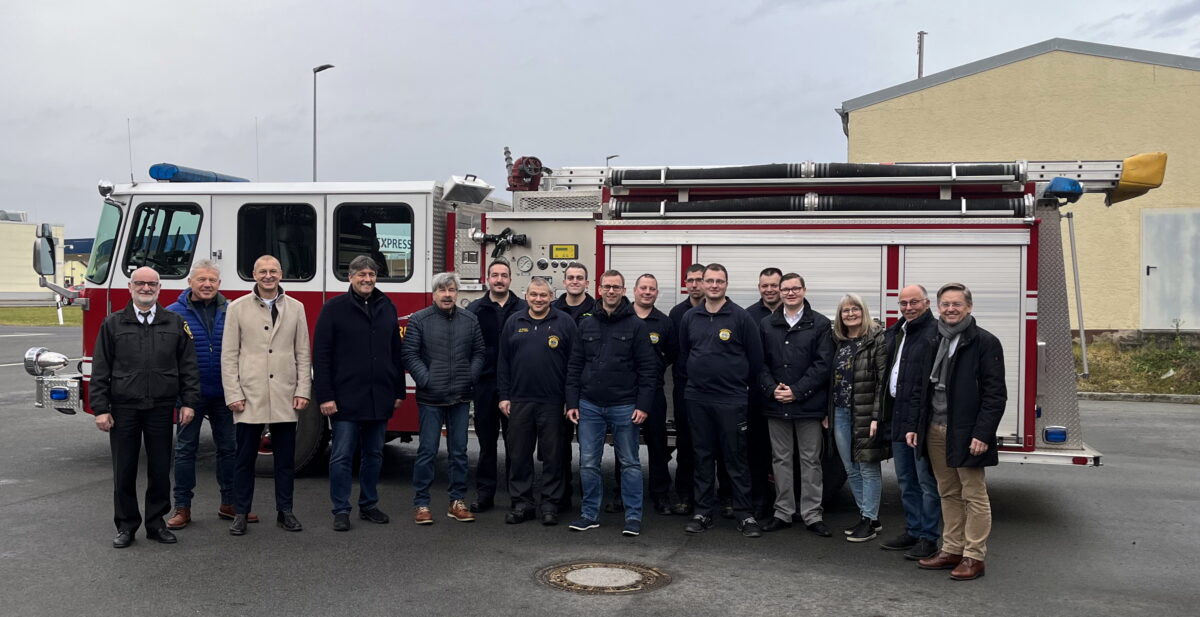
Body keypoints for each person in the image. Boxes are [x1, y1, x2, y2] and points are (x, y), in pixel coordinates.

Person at [91, 266, 200, 548]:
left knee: (160, 469)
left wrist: (189, 402)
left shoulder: (175, 323)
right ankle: (126, 526)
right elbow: (101, 369)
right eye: (140, 283)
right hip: (124, 408)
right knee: (124, 470)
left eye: (152, 284)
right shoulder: (112, 324)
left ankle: (155, 523)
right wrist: (101, 408)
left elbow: (188, 367)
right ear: (130, 287)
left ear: (159, 288)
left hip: (161, 408)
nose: (146, 289)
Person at [906, 283, 1006, 581]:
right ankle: (951, 549)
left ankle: (974, 556)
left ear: (969, 307)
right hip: (935, 428)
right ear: (938, 307)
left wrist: (982, 433)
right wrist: (914, 425)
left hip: (966, 431)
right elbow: (918, 388)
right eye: (945, 304)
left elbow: (995, 395)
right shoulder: (933, 339)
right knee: (947, 491)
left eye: (957, 304)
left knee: (974, 495)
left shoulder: (985, 342)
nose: (950, 309)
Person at [221, 255, 312, 536]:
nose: (268, 276)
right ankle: (240, 513)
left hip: (285, 393)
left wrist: (303, 390)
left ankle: (285, 511)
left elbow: (302, 352)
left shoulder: (297, 308)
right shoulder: (236, 308)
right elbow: (229, 355)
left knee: (285, 460)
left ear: (281, 274)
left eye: (273, 271)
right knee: (244, 459)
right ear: (254, 274)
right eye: (263, 271)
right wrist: (233, 394)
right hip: (249, 395)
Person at [313, 255, 405, 532]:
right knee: (341, 456)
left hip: (380, 396)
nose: (367, 279)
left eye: (372, 274)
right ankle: (341, 509)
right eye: (361, 274)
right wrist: (325, 396)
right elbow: (322, 354)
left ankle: (369, 504)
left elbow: (395, 353)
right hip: (345, 397)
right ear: (350, 278)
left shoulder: (387, 306)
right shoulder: (333, 309)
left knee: (374, 454)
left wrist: (398, 389)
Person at [165, 260, 257, 531]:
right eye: (201, 279)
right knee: (184, 452)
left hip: (226, 394)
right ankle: (182, 507)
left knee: (229, 449)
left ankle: (230, 504)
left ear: (219, 284)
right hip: (190, 397)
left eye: (212, 280)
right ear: (190, 282)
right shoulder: (172, 313)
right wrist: (179, 395)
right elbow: (168, 359)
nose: (207, 285)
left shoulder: (232, 310)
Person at [565, 270, 657, 537]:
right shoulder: (586, 324)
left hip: (625, 405)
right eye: (607, 286)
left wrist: (643, 405)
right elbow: (574, 365)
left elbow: (648, 369)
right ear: (600, 289)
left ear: (623, 289)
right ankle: (589, 514)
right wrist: (572, 401)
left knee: (629, 462)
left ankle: (633, 517)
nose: (612, 291)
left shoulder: (636, 325)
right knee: (588, 463)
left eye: (616, 287)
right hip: (589, 404)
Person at [678, 263, 764, 538]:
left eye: (719, 281)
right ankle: (703, 512)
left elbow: (756, 359)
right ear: (701, 284)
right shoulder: (690, 317)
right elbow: (684, 354)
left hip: (731, 399)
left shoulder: (741, 317)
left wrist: (736, 386)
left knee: (735, 458)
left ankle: (744, 514)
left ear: (727, 284)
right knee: (702, 456)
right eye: (709, 281)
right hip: (698, 398)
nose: (714, 285)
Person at [402, 272, 485, 525]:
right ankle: (422, 504)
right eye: (442, 290)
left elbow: (479, 352)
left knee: (459, 452)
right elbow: (410, 354)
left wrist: (469, 377)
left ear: (457, 293)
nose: (447, 294)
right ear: (434, 293)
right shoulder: (419, 320)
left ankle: (456, 501)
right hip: (430, 399)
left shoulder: (470, 320)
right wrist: (426, 380)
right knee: (427, 452)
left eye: (451, 290)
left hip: (460, 397)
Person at [757, 272, 834, 537]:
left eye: (795, 288)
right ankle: (783, 512)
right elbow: (760, 363)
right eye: (785, 289)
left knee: (810, 460)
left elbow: (823, 365)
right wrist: (771, 389)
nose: (790, 293)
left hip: (808, 405)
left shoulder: (821, 324)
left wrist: (798, 392)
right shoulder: (767, 324)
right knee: (780, 459)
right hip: (776, 403)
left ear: (804, 290)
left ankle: (812, 514)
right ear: (778, 292)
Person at [497, 277, 578, 526]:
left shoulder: (564, 322)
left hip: (554, 402)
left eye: (543, 295)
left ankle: (551, 504)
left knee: (554, 457)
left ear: (552, 296)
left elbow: (574, 365)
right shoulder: (514, 321)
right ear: (526, 295)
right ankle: (522, 503)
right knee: (519, 455)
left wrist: (570, 400)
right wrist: (504, 396)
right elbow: (503, 362)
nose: (538, 299)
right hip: (520, 400)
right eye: (534, 295)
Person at [880, 284, 941, 559]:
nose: (908, 307)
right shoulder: (899, 331)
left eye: (914, 302)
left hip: (919, 420)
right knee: (906, 480)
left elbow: (929, 385)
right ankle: (913, 531)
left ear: (927, 303)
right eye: (903, 303)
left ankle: (929, 538)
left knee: (926, 482)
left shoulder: (934, 334)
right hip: (898, 415)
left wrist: (918, 424)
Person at [667, 263, 731, 516]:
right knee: (687, 445)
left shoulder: (726, 312)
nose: (694, 284)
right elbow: (676, 351)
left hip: (720, 391)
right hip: (686, 389)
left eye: (698, 279)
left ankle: (726, 497)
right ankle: (685, 496)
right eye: (690, 280)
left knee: (724, 446)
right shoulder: (677, 313)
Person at [827, 293, 890, 542]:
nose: (850, 314)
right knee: (850, 468)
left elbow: (882, 383)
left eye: (855, 309)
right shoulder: (838, 341)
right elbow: (831, 381)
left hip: (864, 414)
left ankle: (869, 520)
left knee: (868, 468)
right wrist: (828, 413)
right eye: (845, 310)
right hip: (840, 412)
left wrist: (877, 416)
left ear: (863, 312)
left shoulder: (876, 340)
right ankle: (869, 518)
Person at [466, 259, 526, 513]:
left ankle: (518, 497)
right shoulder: (475, 309)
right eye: (495, 275)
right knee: (487, 444)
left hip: (517, 387)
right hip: (486, 385)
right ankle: (485, 494)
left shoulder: (523, 308)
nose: (499, 279)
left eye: (504, 275)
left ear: (511, 279)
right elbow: (467, 347)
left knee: (517, 446)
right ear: (488, 278)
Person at [627, 273, 678, 515]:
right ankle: (621, 493)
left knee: (658, 446)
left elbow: (672, 354)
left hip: (654, 393)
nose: (647, 292)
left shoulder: (664, 322)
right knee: (625, 447)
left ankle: (660, 495)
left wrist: (654, 368)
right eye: (643, 288)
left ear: (657, 293)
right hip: (625, 393)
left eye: (652, 289)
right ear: (634, 290)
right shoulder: (621, 317)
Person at [550, 261, 594, 511]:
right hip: (558, 388)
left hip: (588, 389)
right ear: (564, 282)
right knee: (559, 446)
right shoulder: (553, 309)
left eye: (580, 277)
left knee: (590, 449)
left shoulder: (597, 309)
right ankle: (561, 496)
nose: (575, 281)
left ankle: (591, 498)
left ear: (587, 283)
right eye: (571, 277)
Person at [743, 267, 783, 519]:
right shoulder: (748, 316)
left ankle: (784, 504)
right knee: (756, 453)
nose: (769, 289)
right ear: (759, 287)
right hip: (757, 397)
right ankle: (759, 502)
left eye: (774, 285)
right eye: (764, 285)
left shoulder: (793, 312)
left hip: (786, 397)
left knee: (783, 455)